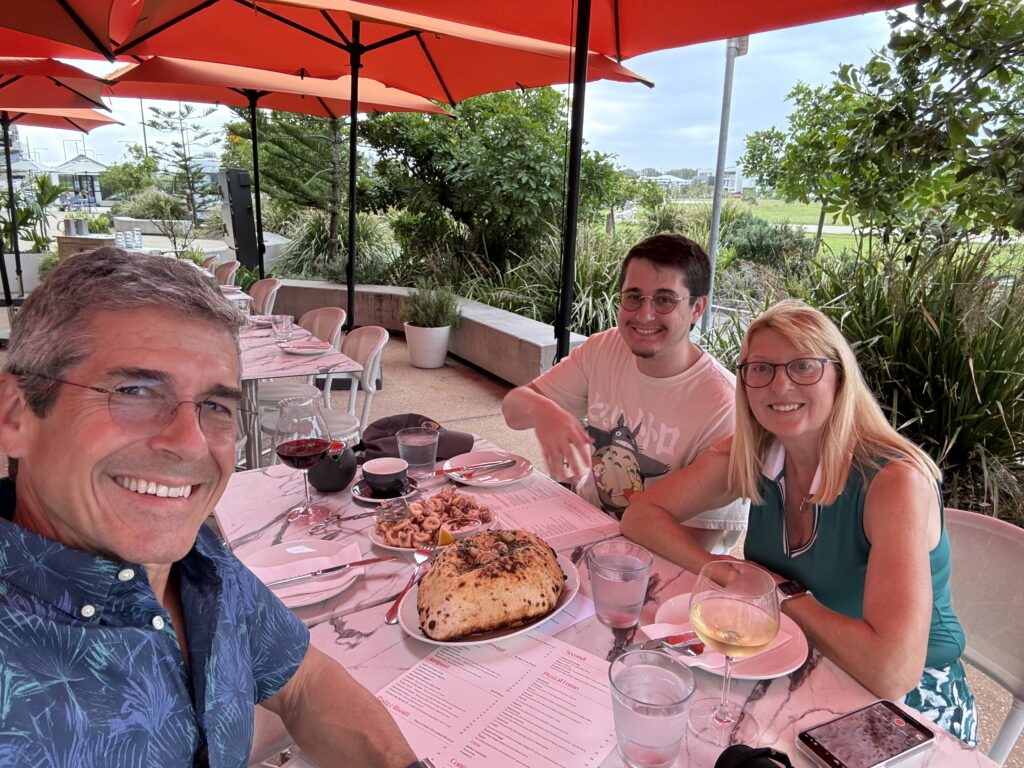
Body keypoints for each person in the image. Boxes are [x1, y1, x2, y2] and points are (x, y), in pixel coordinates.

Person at [0, 248, 420, 767]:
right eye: (134, 390)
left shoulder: (199, 560)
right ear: (16, 414)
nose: (191, 443)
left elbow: (303, 681)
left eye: (215, 406)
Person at [621, 299, 976, 744]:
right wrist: (723, 572)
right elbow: (641, 517)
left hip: (916, 705)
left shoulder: (894, 483)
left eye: (804, 366)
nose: (780, 385)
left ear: (839, 378)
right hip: (802, 662)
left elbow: (892, 672)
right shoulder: (759, 451)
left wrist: (779, 594)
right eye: (762, 369)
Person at [502, 233, 746, 552]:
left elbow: (693, 546)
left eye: (664, 300)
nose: (644, 315)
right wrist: (542, 409)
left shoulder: (724, 405)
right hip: (584, 529)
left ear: (697, 308)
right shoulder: (605, 348)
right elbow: (512, 411)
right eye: (633, 296)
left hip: (655, 567)